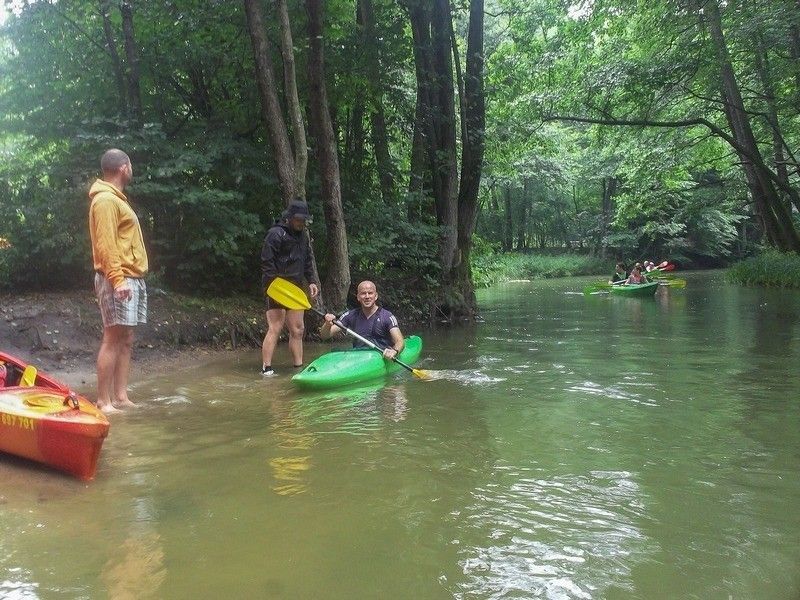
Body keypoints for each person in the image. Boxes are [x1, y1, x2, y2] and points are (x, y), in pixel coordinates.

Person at [88, 149, 148, 413]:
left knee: (126, 338)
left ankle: (121, 397)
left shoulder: (117, 200)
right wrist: (118, 279)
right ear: (124, 167)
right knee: (113, 337)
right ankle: (104, 401)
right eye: (131, 165)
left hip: (130, 276)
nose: (132, 169)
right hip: (117, 278)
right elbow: (106, 244)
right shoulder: (105, 200)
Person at [260, 199, 319, 376]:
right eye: (299, 219)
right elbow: (267, 262)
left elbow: (307, 260)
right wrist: (273, 285)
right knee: (276, 327)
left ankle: (298, 367)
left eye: (304, 220)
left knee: (298, 329)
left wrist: (312, 280)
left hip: (295, 288)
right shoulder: (275, 234)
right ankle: (267, 368)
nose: (302, 223)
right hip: (277, 287)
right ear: (290, 217)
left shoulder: (303, 236)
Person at [320, 280, 404, 360]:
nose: (367, 296)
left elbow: (399, 341)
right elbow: (325, 335)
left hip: (381, 356)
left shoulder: (387, 316)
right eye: (363, 294)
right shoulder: (350, 315)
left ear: (376, 296)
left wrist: (394, 351)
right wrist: (327, 323)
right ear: (358, 297)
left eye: (370, 293)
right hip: (358, 357)